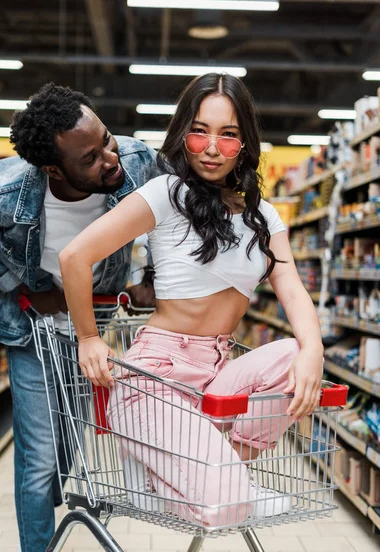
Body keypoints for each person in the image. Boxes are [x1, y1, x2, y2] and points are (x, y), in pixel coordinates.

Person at [59, 73, 324, 527]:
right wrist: (88, 338)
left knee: (297, 351)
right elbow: (75, 256)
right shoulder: (165, 195)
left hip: (218, 377)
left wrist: (314, 353)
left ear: (246, 143)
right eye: (200, 131)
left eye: (229, 135)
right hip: (156, 381)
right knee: (230, 507)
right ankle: (210, 488)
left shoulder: (263, 216)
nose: (212, 148)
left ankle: (220, 473)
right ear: (184, 134)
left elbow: (292, 287)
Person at [0, 82, 161, 552]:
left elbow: (180, 211)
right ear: (53, 170)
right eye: (91, 156)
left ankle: (37, 521)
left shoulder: (135, 160)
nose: (111, 158)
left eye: (106, 138)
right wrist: (18, 301)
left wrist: (158, 282)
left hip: (94, 330)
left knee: (66, 450)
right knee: (37, 461)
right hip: (33, 333)